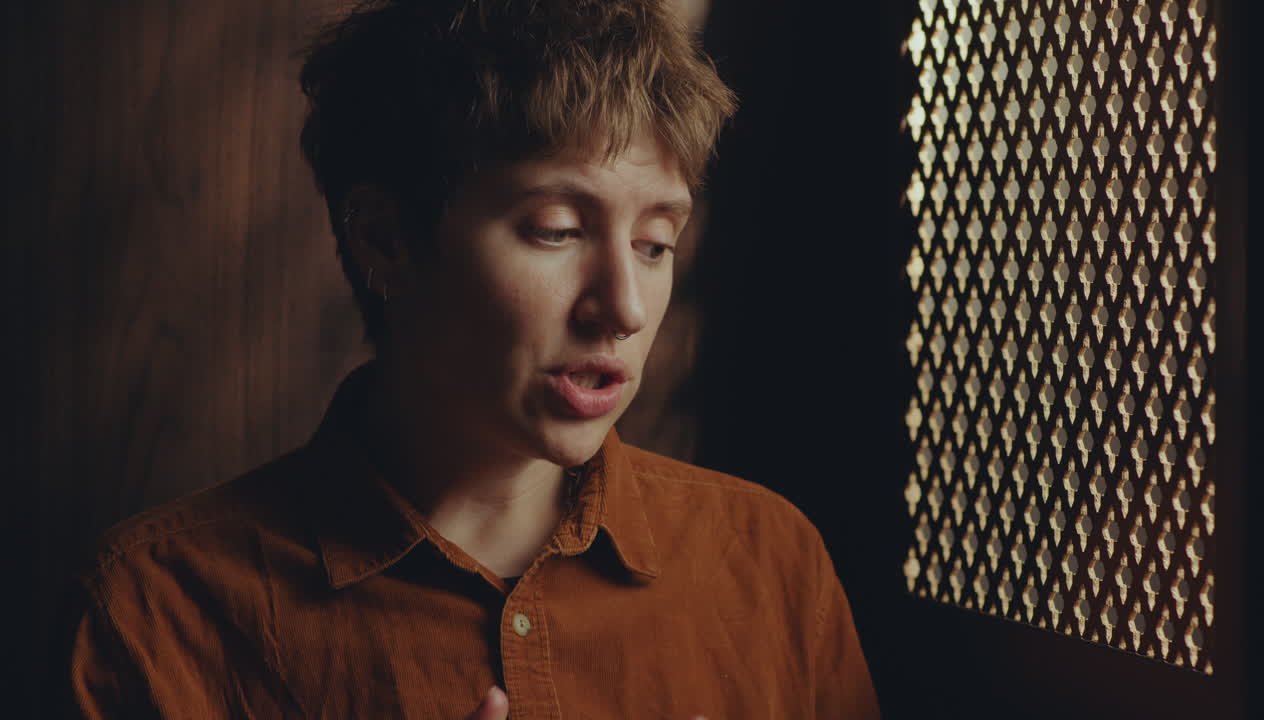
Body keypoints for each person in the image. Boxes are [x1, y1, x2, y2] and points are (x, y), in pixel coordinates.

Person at [62, 0, 879, 717]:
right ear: (384, 238)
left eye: (656, 243)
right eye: (557, 230)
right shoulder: (161, 607)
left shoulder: (768, 561)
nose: (624, 309)